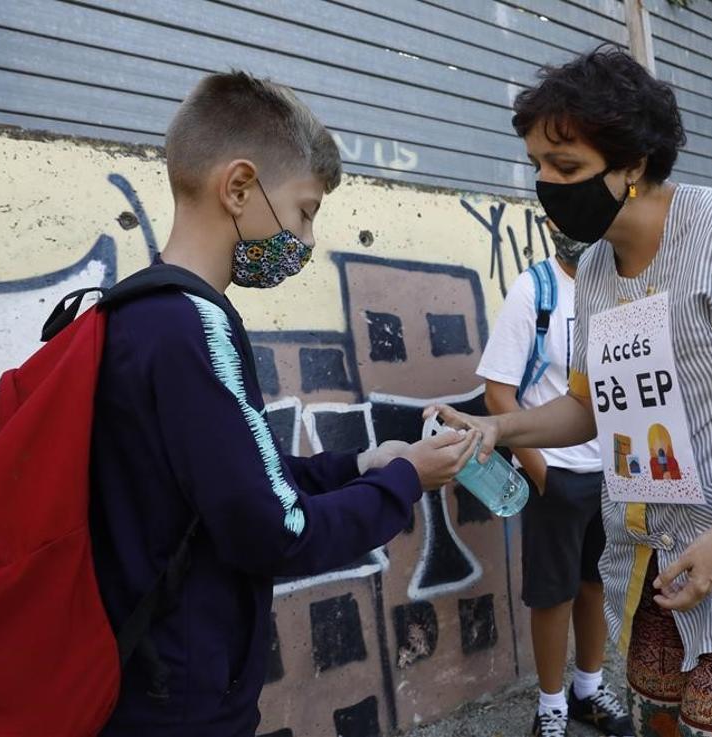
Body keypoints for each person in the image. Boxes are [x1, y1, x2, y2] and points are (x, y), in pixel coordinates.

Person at [431, 46, 712, 737]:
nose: (545, 184)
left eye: (565, 168)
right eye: (538, 165)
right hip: (661, 552)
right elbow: (593, 405)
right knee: (661, 721)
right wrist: (497, 430)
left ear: (634, 163)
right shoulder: (598, 267)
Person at [89, 72, 478, 736]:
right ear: (239, 188)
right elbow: (274, 530)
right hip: (184, 699)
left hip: (149, 678)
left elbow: (236, 481)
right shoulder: (197, 330)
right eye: (304, 210)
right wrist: (406, 480)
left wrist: (363, 459)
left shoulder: (140, 313)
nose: (307, 237)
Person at [476, 223, 632, 737]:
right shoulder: (534, 291)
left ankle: (587, 690)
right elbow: (498, 395)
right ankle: (550, 706)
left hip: (611, 474)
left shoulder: (618, 288)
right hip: (556, 475)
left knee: (595, 586)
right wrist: (543, 476)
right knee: (553, 594)